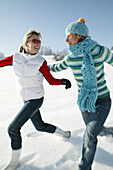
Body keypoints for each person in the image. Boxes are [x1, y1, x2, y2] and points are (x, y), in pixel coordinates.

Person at [0, 29, 71, 170]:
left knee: (13, 129)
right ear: (26, 43)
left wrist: (63, 81)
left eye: (39, 41)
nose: (38, 44)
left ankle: (14, 163)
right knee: (39, 126)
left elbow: (50, 80)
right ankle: (64, 133)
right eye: (35, 40)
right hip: (25, 99)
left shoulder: (41, 62)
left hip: (36, 99)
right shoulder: (15, 58)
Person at [48, 18, 113, 170]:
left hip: (103, 100)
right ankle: (110, 131)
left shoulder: (99, 51)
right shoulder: (71, 58)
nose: (66, 39)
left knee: (89, 135)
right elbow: (56, 67)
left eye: (69, 35)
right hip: (84, 102)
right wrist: (39, 66)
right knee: (97, 130)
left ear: (79, 35)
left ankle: (84, 167)